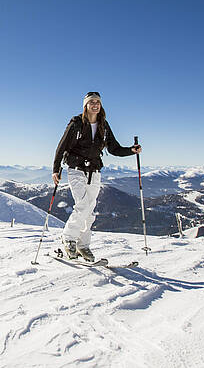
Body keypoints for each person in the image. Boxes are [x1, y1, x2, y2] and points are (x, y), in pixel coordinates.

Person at [52, 91, 142, 261]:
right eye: (91, 102)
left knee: (90, 210)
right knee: (83, 205)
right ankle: (69, 238)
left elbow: (114, 148)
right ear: (85, 105)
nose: (95, 105)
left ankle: (83, 245)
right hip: (76, 169)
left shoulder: (104, 125)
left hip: (95, 171)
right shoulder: (76, 124)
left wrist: (131, 150)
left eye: (98, 102)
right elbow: (61, 146)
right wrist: (55, 169)